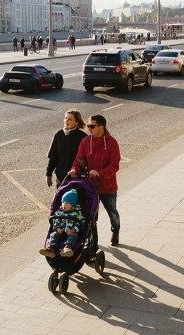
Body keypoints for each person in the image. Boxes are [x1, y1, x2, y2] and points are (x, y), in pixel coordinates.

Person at [68, 114, 121, 247]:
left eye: (92, 126)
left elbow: (114, 165)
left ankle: (115, 230)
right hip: (90, 186)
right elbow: (79, 160)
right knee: (90, 215)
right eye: (88, 126)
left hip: (107, 186)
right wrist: (74, 169)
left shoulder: (112, 143)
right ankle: (91, 239)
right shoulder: (85, 142)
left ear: (101, 127)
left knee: (112, 213)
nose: (89, 128)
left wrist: (100, 174)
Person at [46, 110, 88, 188]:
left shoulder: (83, 137)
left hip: (77, 178)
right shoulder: (59, 135)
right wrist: (48, 174)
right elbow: (53, 157)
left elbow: (88, 159)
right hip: (61, 178)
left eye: (70, 119)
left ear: (76, 122)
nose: (66, 121)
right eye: (65, 118)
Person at [39, 189, 85, 258]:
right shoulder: (59, 212)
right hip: (61, 231)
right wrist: (57, 228)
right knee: (53, 234)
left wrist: (74, 230)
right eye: (63, 202)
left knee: (74, 236)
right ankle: (51, 248)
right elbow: (56, 220)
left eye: (67, 203)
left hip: (70, 232)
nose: (64, 205)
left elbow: (81, 222)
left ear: (72, 204)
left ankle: (67, 248)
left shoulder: (77, 213)